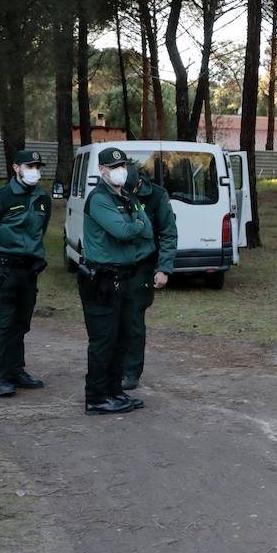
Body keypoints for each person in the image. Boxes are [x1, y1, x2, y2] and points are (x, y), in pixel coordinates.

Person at [78, 147, 156, 415]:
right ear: (101, 171)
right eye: (113, 167)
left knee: (122, 338)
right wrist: (135, 226)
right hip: (101, 278)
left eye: (123, 165)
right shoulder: (99, 199)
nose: (120, 171)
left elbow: (148, 230)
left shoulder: (127, 198)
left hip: (124, 276)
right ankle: (97, 397)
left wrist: (135, 226)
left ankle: (114, 391)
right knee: (103, 340)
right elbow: (124, 231)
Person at [0, 149, 51, 398]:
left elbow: (40, 231)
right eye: (29, 166)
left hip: (29, 269)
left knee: (21, 323)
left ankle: (16, 371)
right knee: (3, 323)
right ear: (16, 168)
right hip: (4, 269)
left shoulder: (42, 198)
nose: (34, 170)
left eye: (37, 165)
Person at [121, 164, 177, 391]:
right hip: (115, 265)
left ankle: (131, 372)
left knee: (134, 321)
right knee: (113, 319)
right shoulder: (112, 192)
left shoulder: (157, 195)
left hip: (142, 266)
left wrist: (164, 269)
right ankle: (113, 367)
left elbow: (168, 232)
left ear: (138, 183)